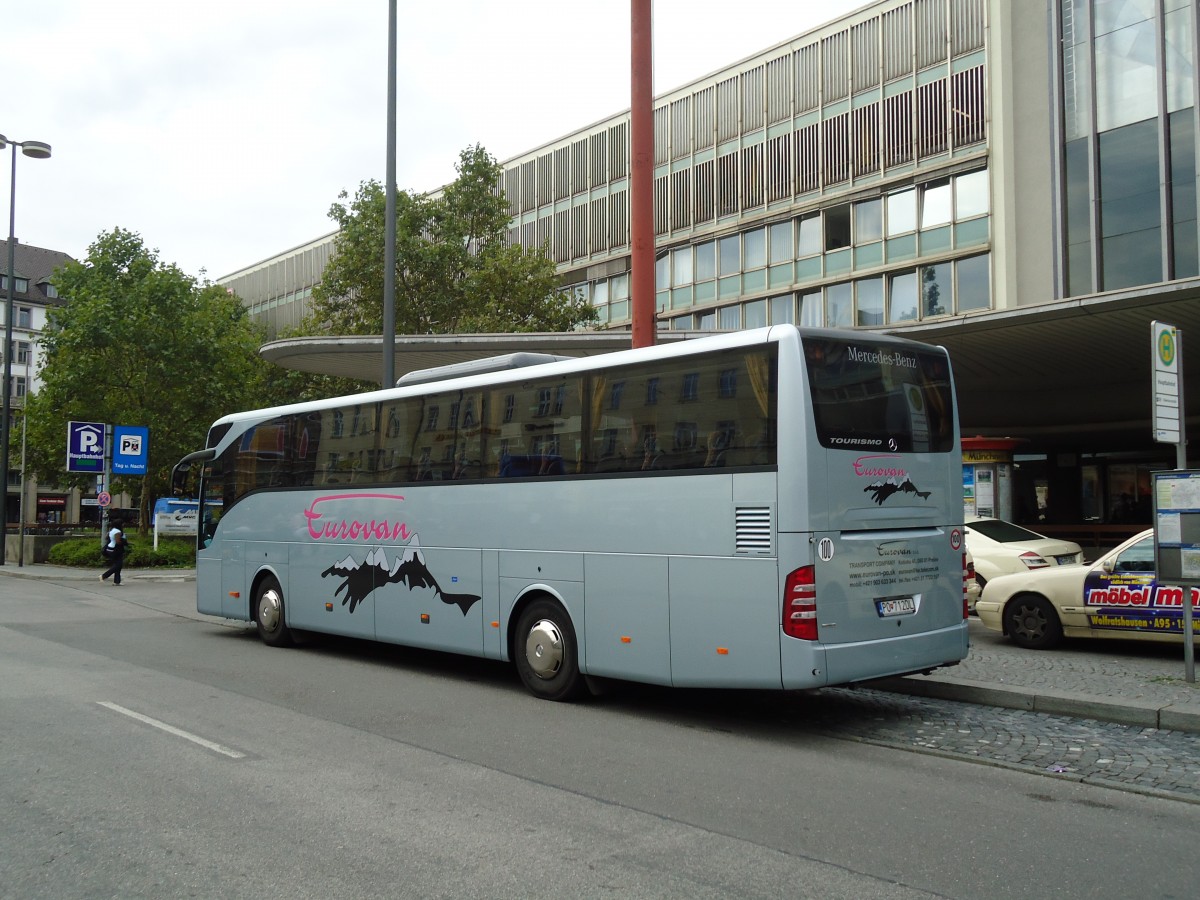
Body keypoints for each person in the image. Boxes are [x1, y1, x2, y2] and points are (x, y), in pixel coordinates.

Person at [100, 520, 128, 586]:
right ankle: (104, 576)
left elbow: (107, 538)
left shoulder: (112, 530)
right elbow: (118, 541)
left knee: (117, 565)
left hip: (110, 548)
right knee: (118, 565)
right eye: (122, 524)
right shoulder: (117, 531)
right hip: (116, 549)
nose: (123, 525)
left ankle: (117, 581)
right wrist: (125, 542)